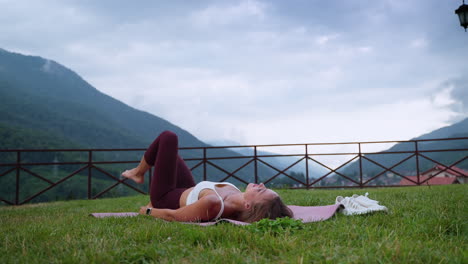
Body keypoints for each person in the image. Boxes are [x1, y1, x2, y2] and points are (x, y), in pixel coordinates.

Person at [122, 130, 293, 222]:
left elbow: (173, 216)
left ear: (248, 205)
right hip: (186, 188)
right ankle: (138, 172)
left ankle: (138, 173)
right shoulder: (237, 196)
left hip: (166, 197)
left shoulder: (213, 204)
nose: (262, 184)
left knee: (168, 138)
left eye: (262, 191)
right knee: (169, 154)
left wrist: (148, 210)